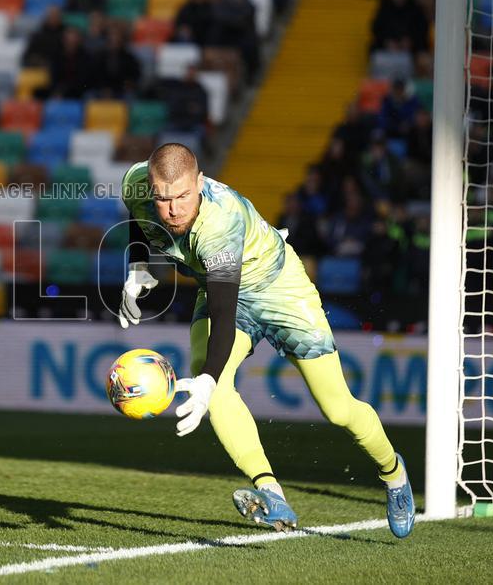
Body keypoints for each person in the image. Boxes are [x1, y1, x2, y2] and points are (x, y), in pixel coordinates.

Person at [118, 143, 415, 538]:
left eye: (184, 196)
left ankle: (393, 473)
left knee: (338, 408)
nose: (173, 209)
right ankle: (270, 492)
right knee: (216, 385)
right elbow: (138, 222)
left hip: (279, 288)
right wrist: (139, 267)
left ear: (201, 183)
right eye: (163, 198)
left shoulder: (219, 225)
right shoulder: (136, 185)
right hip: (218, 285)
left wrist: (207, 378)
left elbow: (224, 313)